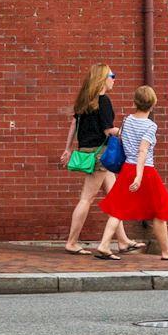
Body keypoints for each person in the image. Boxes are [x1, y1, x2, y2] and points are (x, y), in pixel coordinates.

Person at [94, 85, 168, 262]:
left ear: (135, 102)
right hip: (145, 171)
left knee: (118, 209)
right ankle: (166, 251)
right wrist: (139, 175)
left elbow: (124, 140)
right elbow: (142, 151)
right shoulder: (150, 126)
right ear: (153, 104)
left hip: (126, 167)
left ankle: (104, 245)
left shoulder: (127, 120)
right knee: (160, 210)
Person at [61, 63, 138, 255]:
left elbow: (74, 125)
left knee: (115, 197)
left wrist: (68, 148)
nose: (114, 79)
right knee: (86, 199)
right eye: (112, 75)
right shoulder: (103, 101)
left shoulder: (84, 101)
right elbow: (108, 130)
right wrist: (130, 132)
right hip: (100, 154)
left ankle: (122, 240)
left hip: (88, 151)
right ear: (103, 78)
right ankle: (71, 242)